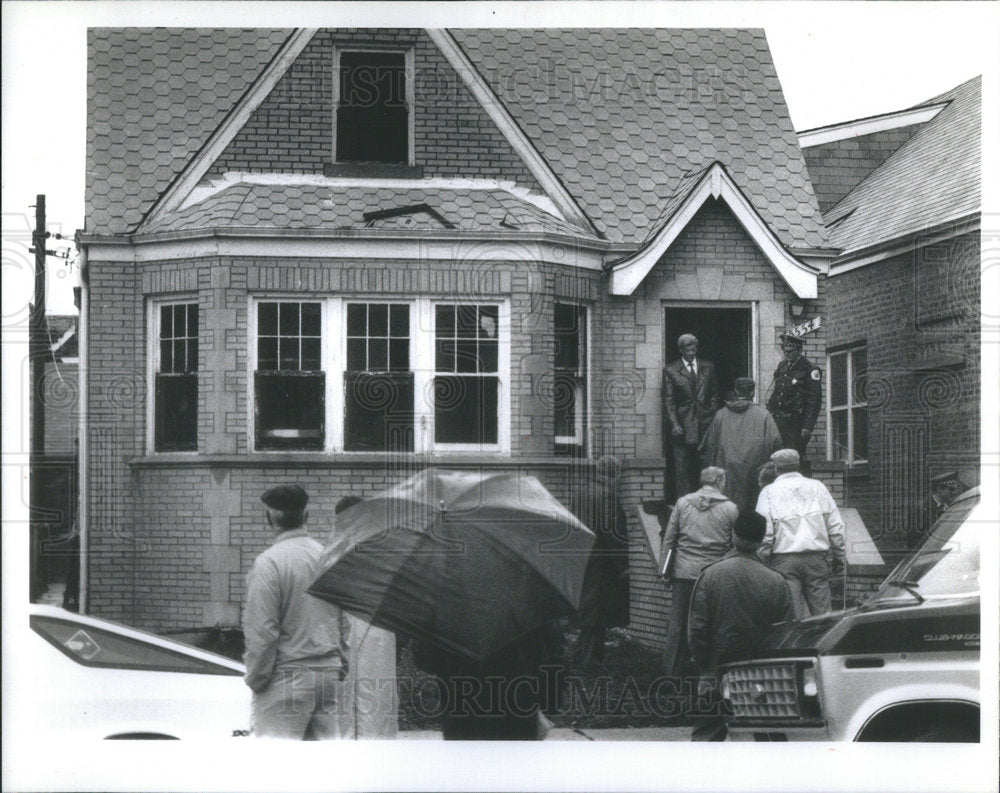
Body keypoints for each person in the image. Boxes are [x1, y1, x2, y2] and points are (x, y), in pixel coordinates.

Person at [243, 485, 352, 739]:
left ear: (269, 517)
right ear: (306, 515)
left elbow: (263, 630)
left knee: (277, 769)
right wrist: (340, 663)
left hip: (287, 677)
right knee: (323, 770)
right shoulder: (327, 556)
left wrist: (257, 679)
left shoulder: (269, 563)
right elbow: (343, 618)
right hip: (327, 673)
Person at [687, 510, 795, 741]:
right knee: (765, 738)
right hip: (761, 674)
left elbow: (697, 629)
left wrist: (702, 664)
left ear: (734, 536)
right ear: (760, 542)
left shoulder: (710, 575)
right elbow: (786, 632)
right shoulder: (776, 581)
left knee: (707, 736)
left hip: (715, 667)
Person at [412, 623, 564, 740]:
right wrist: (548, 708)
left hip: (462, 708)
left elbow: (426, 659)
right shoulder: (531, 600)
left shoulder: (447, 600)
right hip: (519, 710)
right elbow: (555, 662)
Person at [659, 466, 737, 681]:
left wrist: (664, 569)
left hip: (683, 572)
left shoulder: (683, 503)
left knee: (678, 623)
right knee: (714, 623)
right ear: (720, 481)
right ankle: (712, 672)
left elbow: (670, 538)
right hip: (714, 573)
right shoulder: (730, 508)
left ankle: (672, 672)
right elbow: (734, 543)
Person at [334, 495, 399, 739]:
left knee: (372, 713)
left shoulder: (381, 554)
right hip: (359, 636)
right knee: (359, 714)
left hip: (373, 637)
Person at [755, 449, 846, 618]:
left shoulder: (768, 491)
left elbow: (765, 531)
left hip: (783, 560)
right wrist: (840, 555)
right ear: (798, 465)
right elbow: (835, 526)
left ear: (776, 468)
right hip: (817, 558)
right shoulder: (818, 487)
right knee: (823, 615)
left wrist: (763, 559)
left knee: (791, 616)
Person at [569, 454, 629, 666]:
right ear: (614, 473)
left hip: (581, 554)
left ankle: (591, 656)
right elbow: (611, 531)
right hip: (599, 558)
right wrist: (623, 564)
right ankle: (585, 658)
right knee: (595, 609)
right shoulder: (606, 495)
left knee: (590, 606)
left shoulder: (581, 492)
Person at [699, 377, 783, 511]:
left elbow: (709, 445)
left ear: (736, 392)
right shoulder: (764, 415)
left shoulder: (720, 415)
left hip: (726, 473)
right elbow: (776, 442)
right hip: (754, 473)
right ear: (753, 393)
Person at [663, 333, 719, 499]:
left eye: (694, 348)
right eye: (688, 349)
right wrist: (674, 424)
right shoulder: (671, 370)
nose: (691, 352)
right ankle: (685, 503)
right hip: (682, 424)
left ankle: (707, 499)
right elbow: (669, 400)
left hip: (705, 423)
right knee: (682, 467)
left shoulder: (708, 367)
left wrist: (712, 412)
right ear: (681, 350)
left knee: (706, 465)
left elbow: (715, 393)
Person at [766, 334, 822, 472]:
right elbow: (777, 392)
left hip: (796, 423)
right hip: (779, 421)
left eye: (790, 352)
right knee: (776, 457)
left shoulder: (809, 369)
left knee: (794, 459)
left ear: (799, 350)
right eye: (785, 351)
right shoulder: (783, 366)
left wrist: (807, 426)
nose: (787, 354)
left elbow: (814, 401)